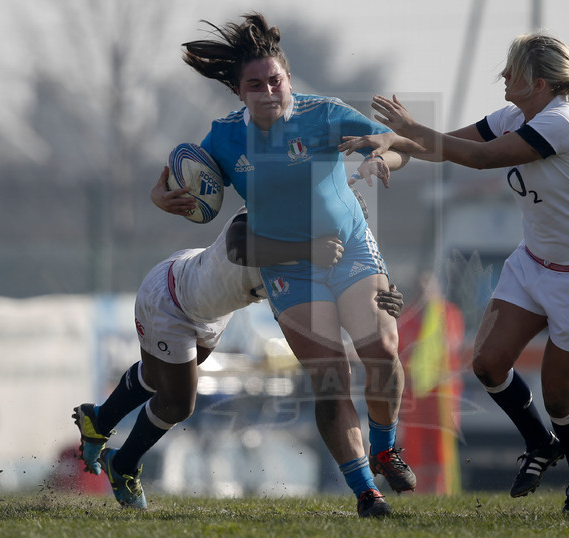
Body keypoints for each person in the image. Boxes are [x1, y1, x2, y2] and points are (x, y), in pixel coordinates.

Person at [340, 32, 569, 515]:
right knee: (488, 364)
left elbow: (477, 158)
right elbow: (447, 147)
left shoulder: (563, 122)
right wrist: (389, 147)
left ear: (538, 82)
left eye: (512, 69)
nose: (503, 76)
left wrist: (410, 128)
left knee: (558, 396)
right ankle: (540, 444)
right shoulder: (518, 114)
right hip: (534, 262)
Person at [174, 12, 417, 517]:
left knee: (382, 348)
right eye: (255, 84)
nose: (268, 90)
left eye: (275, 80)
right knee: (328, 378)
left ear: (288, 78)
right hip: (289, 267)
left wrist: (380, 157)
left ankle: (385, 445)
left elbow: (398, 146)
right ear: (239, 93)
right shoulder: (223, 138)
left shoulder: (323, 113)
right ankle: (365, 493)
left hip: (348, 245)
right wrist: (164, 197)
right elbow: (172, 181)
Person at [73, 172, 406, 510]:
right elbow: (237, 244)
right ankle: (123, 464)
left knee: (162, 377)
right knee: (178, 402)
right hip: (172, 299)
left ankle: (98, 420)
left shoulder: (320, 250)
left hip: (212, 308)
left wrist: (386, 299)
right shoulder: (272, 214)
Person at [396, 272, 465, 495]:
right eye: (421, 287)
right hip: (415, 392)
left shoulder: (449, 314)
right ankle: (417, 489)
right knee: (415, 443)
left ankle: (441, 490)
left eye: (429, 286)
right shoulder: (407, 318)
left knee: (440, 444)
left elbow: (452, 347)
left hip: (443, 391)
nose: (425, 292)